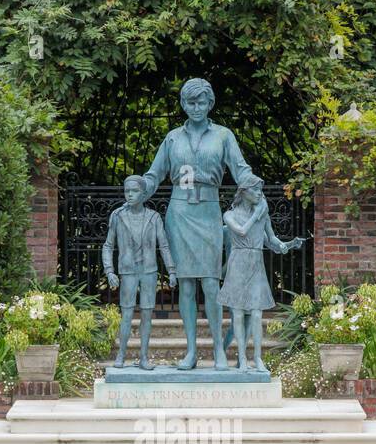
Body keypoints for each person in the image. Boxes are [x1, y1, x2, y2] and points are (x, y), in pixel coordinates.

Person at [141, 77, 255, 370]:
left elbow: (240, 169)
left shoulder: (223, 135)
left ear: (210, 103)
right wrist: (141, 186)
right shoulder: (172, 138)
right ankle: (191, 351)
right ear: (183, 104)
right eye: (190, 102)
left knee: (210, 283)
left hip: (208, 211)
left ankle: (218, 349)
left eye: (201, 102)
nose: (195, 107)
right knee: (187, 285)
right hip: (179, 213)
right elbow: (155, 174)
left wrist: (253, 187)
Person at [218, 175, 305, 371]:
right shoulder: (229, 215)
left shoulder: (262, 215)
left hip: (256, 263)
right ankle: (242, 358)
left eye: (260, 190)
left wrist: (288, 244)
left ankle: (257, 357)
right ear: (244, 192)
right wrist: (257, 215)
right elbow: (241, 231)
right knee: (238, 313)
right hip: (238, 263)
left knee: (257, 314)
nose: (259, 194)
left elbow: (272, 241)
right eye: (256, 190)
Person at [102, 175, 176, 370]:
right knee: (126, 314)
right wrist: (109, 271)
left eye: (134, 191)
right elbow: (108, 246)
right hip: (127, 271)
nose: (130, 195)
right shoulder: (117, 216)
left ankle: (144, 357)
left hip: (149, 271)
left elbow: (164, 246)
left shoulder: (153, 217)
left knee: (146, 314)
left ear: (143, 194)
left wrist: (171, 271)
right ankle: (121, 355)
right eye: (127, 191)